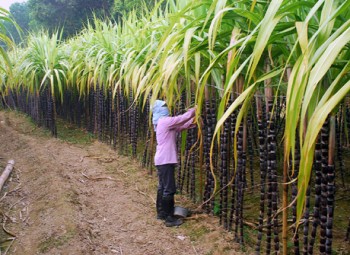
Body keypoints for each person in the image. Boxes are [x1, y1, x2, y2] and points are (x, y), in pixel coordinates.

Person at [152, 99, 196, 227]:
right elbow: (181, 119)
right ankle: (169, 218)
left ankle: (161, 213)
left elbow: (181, 126)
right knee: (169, 189)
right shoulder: (164, 122)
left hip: (163, 160)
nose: (167, 108)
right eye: (164, 106)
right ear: (160, 110)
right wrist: (194, 110)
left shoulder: (163, 124)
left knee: (162, 187)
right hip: (165, 160)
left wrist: (193, 121)